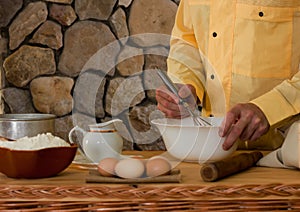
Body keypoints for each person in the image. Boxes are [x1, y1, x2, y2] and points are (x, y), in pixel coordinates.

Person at [156, 0, 300, 151]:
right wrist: (187, 84)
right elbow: (187, 39)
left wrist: (270, 108)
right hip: (213, 150)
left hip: (286, 151)